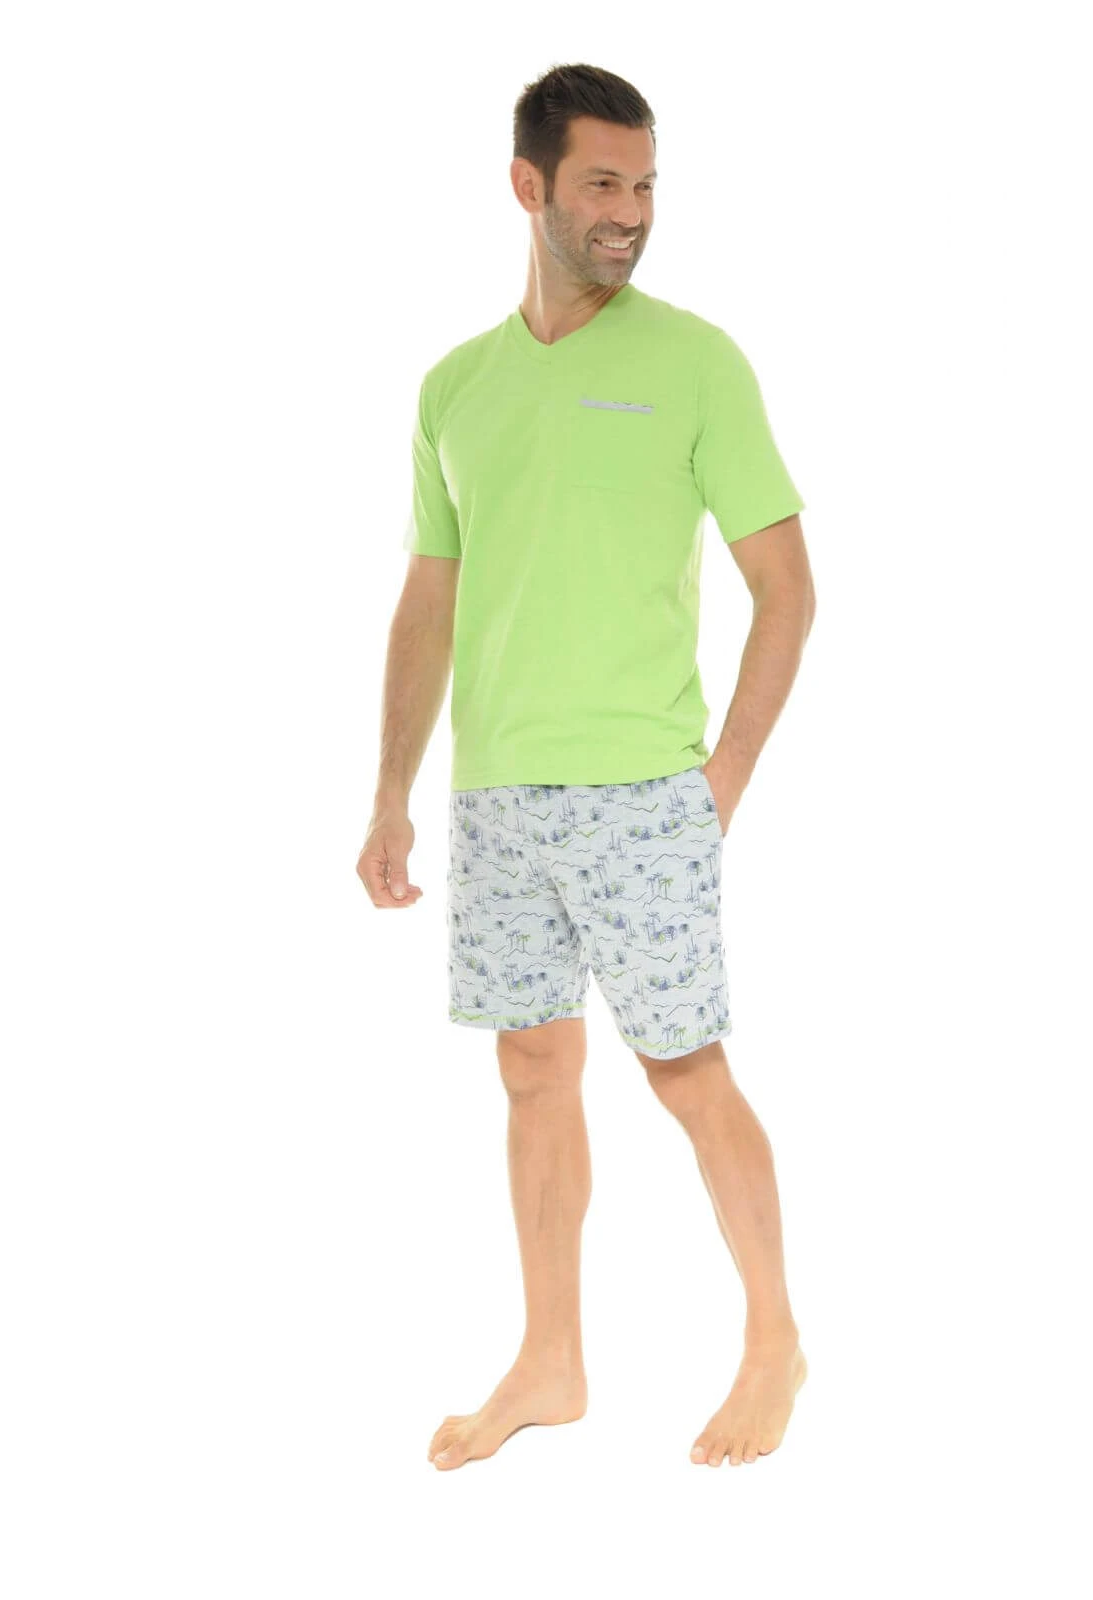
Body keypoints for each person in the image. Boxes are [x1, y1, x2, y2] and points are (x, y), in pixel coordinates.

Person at [357, 63, 816, 1470]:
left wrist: (722, 778)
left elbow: (787, 589)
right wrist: (389, 792)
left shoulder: (697, 363)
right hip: (496, 795)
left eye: (647, 183)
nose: (632, 210)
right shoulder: (455, 388)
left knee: (685, 1069)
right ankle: (550, 1360)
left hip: (641, 792)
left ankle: (775, 1341)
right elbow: (430, 600)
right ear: (530, 186)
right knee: (534, 1071)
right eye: (604, 183)